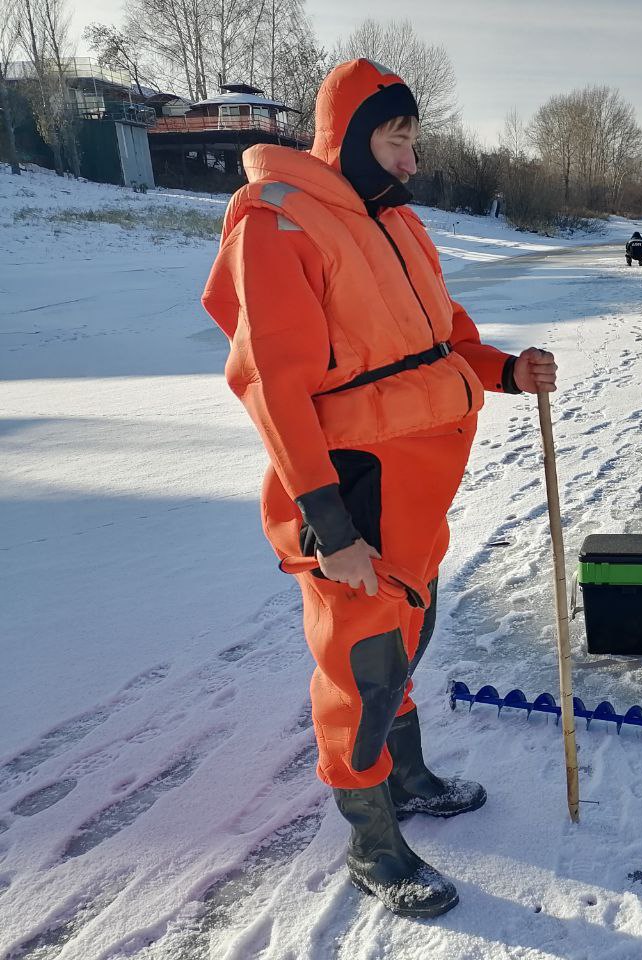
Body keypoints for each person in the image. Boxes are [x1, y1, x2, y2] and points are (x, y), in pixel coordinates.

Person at [202, 59, 558, 917]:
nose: (410, 160)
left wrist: (504, 369)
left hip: (418, 490)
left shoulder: (394, 221)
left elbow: (443, 338)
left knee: (413, 630)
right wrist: (328, 522)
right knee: (362, 665)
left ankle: (408, 777)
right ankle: (371, 839)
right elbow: (271, 384)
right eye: (396, 140)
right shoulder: (278, 223)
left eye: (413, 141)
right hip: (350, 494)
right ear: (351, 135)